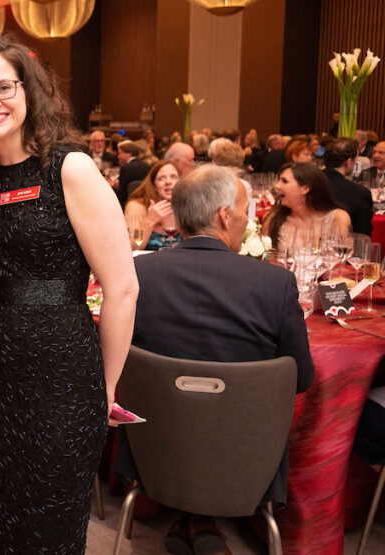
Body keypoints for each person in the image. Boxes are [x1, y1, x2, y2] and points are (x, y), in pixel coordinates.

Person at [0, 36, 138, 553]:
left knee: (48, 522)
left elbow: (122, 288)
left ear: (28, 91)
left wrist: (106, 388)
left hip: (60, 373)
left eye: (3, 87)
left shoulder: (69, 167)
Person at [125, 165, 314, 554]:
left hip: (158, 452)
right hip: (246, 455)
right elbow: (302, 378)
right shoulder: (274, 282)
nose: (247, 220)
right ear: (224, 215)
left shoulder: (137, 274)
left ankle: (192, 518)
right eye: (245, 211)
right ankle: (201, 520)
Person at [264, 162, 351, 253]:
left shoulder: (338, 219)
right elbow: (264, 261)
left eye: (284, 181)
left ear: (305, 189)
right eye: (279, 180)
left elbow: (341, 261)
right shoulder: (273, 218)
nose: (277, 186)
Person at [124, 160, 183, 250]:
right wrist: (149, 222)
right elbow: (132, 247)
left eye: (173, 177)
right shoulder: (137, 207)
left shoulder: (186, 208)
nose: (168, 182)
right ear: (154, 185)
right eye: (161, 178)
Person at [322, 138, 373, 236]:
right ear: (349, 162)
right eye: (355, 160)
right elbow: (363, 236)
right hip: (343, 247)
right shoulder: (359, 193)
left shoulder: (307, 184)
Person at [116, 140, 151, 206]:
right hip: (145, 203)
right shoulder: (147, 166)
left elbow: (121, 195)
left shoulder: (126, 168)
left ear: (129, 153)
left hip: (128, 204)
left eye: (120, 153)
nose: (118, 157)